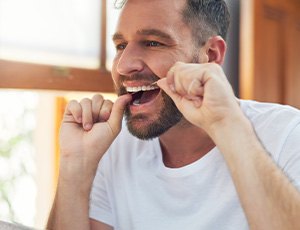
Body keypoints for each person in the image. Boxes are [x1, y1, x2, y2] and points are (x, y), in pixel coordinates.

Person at [47, 0, 300, 229]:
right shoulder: (111, 146)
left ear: (210, 55)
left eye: (153, 43)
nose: (124, 65)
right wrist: (76, 165)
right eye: (121, 45)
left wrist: (226, 125)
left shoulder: (288, 135)